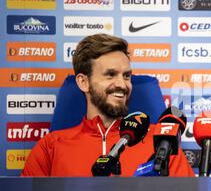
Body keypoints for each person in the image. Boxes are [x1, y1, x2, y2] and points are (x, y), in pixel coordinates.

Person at [22, 34, 194, 177]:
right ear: (83, 82)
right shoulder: (50, 147)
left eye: (127, 76)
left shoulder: (163, 143)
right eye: (110, 75)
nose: (122, 84)